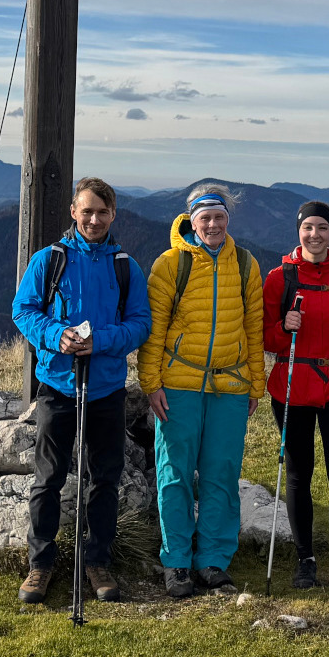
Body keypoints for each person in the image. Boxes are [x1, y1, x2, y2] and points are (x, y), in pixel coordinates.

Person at [11, 176, 152, 605]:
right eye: (86, 211)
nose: (93, 219)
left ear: (113, 216)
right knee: (48, 478)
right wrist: (57, 335)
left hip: (106, 389)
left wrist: (101, 341)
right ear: (73, 212)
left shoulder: (125, 266)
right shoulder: (48, 260)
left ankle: (98, 561)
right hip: (57, 385)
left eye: (102, 212)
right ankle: (40, 564)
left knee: (103, 480)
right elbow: (23, 310)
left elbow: (141, 324)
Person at [140, 182, 266, 598]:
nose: (212, 224)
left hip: (230, 385)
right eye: (204, 217)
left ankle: (212, 561)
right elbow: (153, 331)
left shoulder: (245, 264)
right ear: (191, 220)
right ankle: (176, 561)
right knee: (174, 473)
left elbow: (253, 327)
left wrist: (256, 384)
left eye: (219, 217)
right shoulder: (170, 264)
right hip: (177, 384)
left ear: (229, 219)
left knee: (222, 474)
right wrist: (151, 383)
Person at [261, 200, 329, 589]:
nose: (315, 235)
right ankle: (305, 559)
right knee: (297, 474)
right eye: (308, 227)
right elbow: (264, 334)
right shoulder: (280, 277)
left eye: (322, 228)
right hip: (292, 386)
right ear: (298, 231)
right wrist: (282, 328)